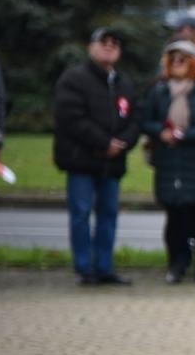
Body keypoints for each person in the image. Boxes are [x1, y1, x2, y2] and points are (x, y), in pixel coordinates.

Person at [53, 26, 140, 286]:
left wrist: (123, 142)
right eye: (103, 41)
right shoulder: (74, 79)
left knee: (109, 213)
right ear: (91, 47)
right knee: (80, 213)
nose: (109, 46)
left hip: (112, 164)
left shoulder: (124, 83)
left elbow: (135, 118)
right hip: (82, 160)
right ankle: (84, 268)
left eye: (114, 42)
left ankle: (104, 267)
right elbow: (72, 118)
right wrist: (104, 143)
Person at [141, 39, 195, 283]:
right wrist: (161, 132)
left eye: (182, 59)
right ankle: (177, 263)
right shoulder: (158, 91)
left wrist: (185, 135)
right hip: (170, 164)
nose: (177, 64)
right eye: (173, 59)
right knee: (175, 219)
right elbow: (145, 121)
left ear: (193, 63)